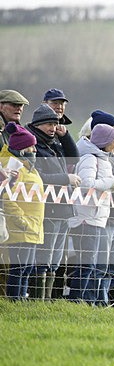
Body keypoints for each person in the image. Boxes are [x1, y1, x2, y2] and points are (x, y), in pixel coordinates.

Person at [67, 124, 114, 306]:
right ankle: (77, 301)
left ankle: (89, 302)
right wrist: (113, 181)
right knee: (87, 265)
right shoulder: (89, 158)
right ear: (105, 141)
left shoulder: (104, 158)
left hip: (98, 217)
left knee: (94, 264)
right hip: (86, 217)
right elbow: (87, 183)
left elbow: (104, 185)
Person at [26, 103, 82, 300]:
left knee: (55, 259)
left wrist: (65, 135)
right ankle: (37, 299)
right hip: (47, 208)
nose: (52, 128)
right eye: (49, 124)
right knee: (44, 256)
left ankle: (47, 299)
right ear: (37, 124)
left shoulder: (55, 142)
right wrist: (65, 179)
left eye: (55, 123)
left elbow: (74, 157)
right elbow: (37, 175)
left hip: (62, 209)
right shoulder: (33, 144)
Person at [0, 123, 45, 300]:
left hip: (33, 227)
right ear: (21, 148)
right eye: (30, 146)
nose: (34, 150)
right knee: (18, 270)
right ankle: (14, 300)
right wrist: (22, 221)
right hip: (21, 229)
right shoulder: (14, 168)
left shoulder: (28, 167)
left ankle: (20, 300)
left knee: (26, 269)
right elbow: (8, 198)